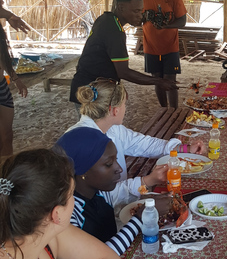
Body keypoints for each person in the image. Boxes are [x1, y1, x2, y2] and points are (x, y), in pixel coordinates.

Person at [67, 78, 206, 197]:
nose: (125, 109)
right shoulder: (86, 143)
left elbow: (142, 143)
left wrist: (184, 148)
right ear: (115, 110)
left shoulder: (111, 128)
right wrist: (147, 180)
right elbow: (102, 197)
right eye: (124, 105)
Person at [55, 127, 170, 256]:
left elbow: (122, 190)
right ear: (83, 171)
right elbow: (98, 257)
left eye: (116, 160)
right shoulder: (66, 213)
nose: (119, 169)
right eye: (109, 164)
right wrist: (140, 218)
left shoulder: (98, 191)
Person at [0, 149, 121, 259]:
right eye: (71, 194)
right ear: (56, 214)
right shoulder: (47, 232)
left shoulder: (50, 233)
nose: (74, 200)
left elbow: (110, 258)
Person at [69, 0, 177, 107]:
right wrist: (158, 81)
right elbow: (123, 72)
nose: (140, 16)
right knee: (95, 126)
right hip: (90, 92)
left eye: (141, 11)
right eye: (136, 11)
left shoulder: (105, 19)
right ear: (121, 7)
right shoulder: (114, 31)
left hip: (89, 86)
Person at [142, 0, 187, 108]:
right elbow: (135, 19)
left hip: (170, 46)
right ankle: (164, 110)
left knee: (170, 79)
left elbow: (182, 21)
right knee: (157, 79)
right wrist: (144, 17)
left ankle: (173, 111)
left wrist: (166, 26)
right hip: (151, 46)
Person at [0, 0, 29, 157]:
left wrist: (16, 79)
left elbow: (2, 57)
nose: (3, 4)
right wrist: (9, 16)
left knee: (7, 136)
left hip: (1, 87)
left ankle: (4, 175)